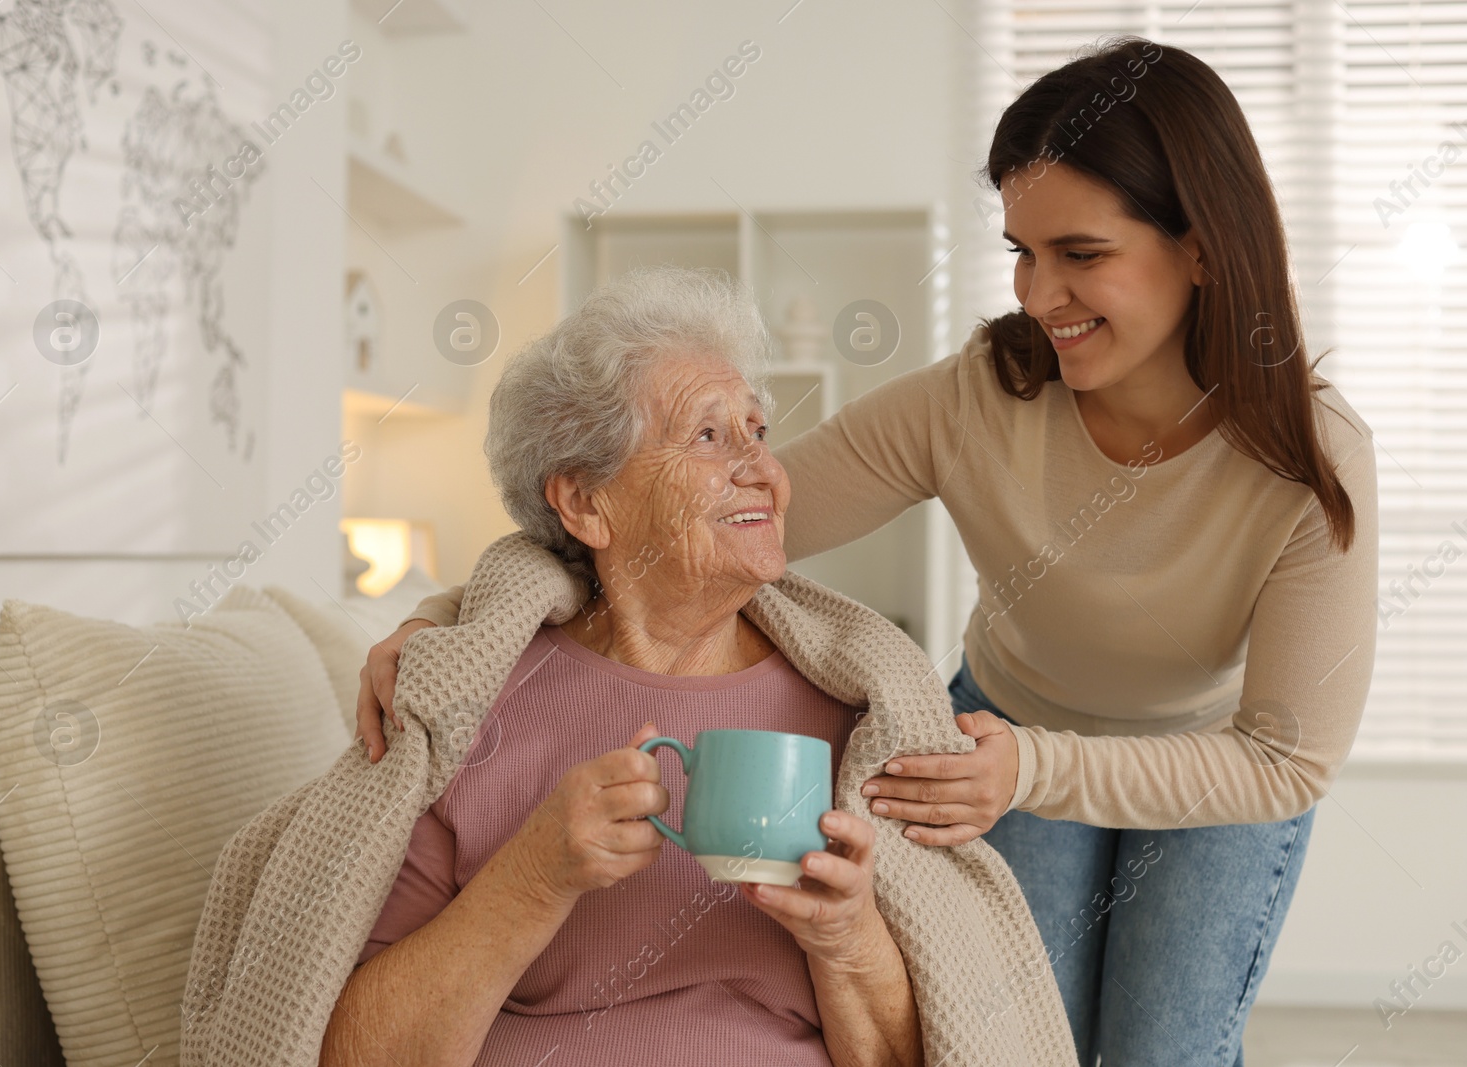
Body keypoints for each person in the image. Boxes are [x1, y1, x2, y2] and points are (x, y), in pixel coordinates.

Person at [356, 37, 1378, 1066]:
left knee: (1166, 1051)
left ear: (1200, 246)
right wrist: (446, 619)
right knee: (1017, 1037)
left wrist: (1038, 766)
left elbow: (1284, 756)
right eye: (1022, 252)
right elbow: (714, 516)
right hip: (1003, 722)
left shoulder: (1308, 460)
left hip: (1205, 758)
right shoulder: (985, 394)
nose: (1036, 293)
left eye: (1081, 254)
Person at [321, 266, 922, 1067]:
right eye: (709, 436)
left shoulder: (856, 709)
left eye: (758, 431)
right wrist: (532, 878)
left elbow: (925, 1053)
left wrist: (850, 940)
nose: (764, 470)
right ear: (585, 504)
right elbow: (351, 1054)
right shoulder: (469, 701)